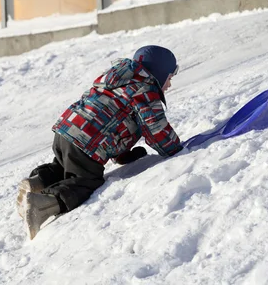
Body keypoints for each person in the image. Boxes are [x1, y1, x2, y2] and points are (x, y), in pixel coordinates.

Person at [17, 45, 183, 239]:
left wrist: (123, 154)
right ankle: (41, 204)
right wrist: (176, 149)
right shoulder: (145, 90)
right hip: (88, 142)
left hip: (66, 130)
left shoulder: (116, 80)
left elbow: (113, 118)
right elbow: (157, 130)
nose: (170, 85)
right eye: (170, 78)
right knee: (86, 180)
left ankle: (37, 182)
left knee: (65, 166)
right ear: (159, 73)